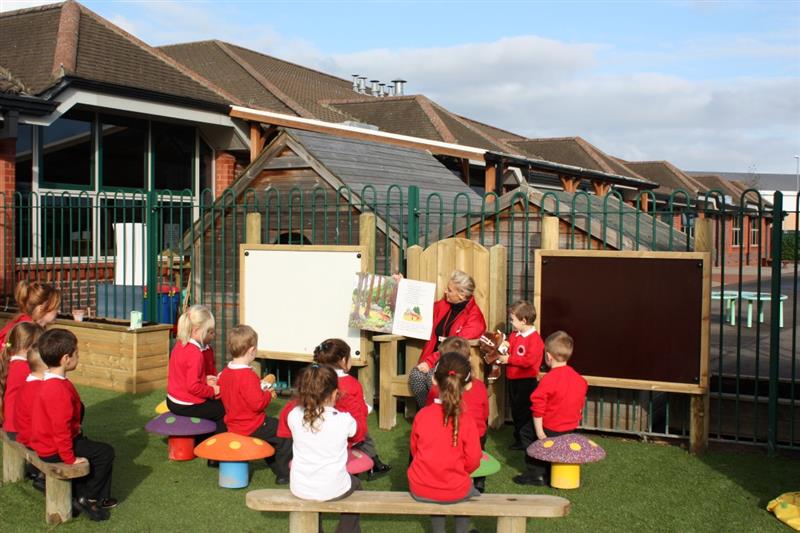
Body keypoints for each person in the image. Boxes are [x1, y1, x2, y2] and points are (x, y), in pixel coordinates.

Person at [29, 329, 116, 521]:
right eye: (76, 353)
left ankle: (85, 495)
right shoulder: (57, 389)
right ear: (66, 359)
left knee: (93, 449)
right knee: (105, 453)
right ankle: (89, 498)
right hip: (54, 448)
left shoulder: (50, 381)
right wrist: (69, 458)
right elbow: (60, 429)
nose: (79, 356)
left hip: (49, 443)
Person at [408, 353, 482, 533]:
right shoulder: (467, 420)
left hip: (420, 487)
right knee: (468, 487)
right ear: (469, 384)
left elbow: (415, 451)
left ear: (434, 379)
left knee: (444, 485)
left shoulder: (422, 415)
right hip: (453, 488)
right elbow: (473, 460)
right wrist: (459, 471)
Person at [288, 363, 361, 533]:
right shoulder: (343, 420)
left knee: (318, 494)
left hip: (300, 487)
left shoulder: (293, 415)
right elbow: (355, 431)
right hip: (333, 487)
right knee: (356, 485)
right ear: (335, 393)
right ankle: (346, 530)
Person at [217, 325, 291, 484]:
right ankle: (284, 473)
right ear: (251, 350)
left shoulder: (225, 373)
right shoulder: (247, 375)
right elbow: (258, 404)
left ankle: (276, 465)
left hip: (233, 424)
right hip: (252, 425)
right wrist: (267, 393)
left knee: (273, 433)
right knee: (285, 433)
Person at [514, 330, 588, 486]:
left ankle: (537, 474)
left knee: (526, 434)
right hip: (569, 426)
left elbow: (538, 407)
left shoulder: (548, 379)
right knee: (553, 442)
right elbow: (580, 403)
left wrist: (540, 431)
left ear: (548, 356)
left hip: (550, 425)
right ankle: (552, 468)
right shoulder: (580, 379)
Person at [313, 338, 392, 480]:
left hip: (323, 426)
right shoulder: (351, 383)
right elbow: (359, 409)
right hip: (350, 428)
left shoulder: (317, 379)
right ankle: (374, 466)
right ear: (344, 360)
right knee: (365, 439)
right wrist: (367, 409)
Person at [408, 270, 486, 408]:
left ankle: (442, 414)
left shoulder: (475, 319)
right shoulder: (443, 305)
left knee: (433, 376)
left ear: (461, 295)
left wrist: (429, 362)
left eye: (449, 290)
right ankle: (427, 413)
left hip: (451, 363)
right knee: (416, 375)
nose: (445, 292)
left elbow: (453, 346)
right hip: (433, 359)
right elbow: (420, 307)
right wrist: (402, 287)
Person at [422, 339, 489, 493]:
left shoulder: (436, 389)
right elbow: (485, 414)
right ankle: (479, 480)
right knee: (479, 439)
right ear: (469, 360)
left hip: (448, 434)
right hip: (476, 435)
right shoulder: (479, 386)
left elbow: (430, 412)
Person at [166, 305, 225, 438]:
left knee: (214, 406)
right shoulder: (195, 353)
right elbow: (193, 387)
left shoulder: (180, 344)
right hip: (185, 404)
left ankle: (203, 437)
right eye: (210, 332)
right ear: (197, 330)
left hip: (173, 399)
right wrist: (214, 391)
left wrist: (205, 379)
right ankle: (214, 447)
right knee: (223, 410)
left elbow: (183, 375)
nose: (214, 335)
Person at [499, 300, 544, 450]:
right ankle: (519, 439)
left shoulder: (535, 339)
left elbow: (529, 361)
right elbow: (511, 346)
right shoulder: (514, 334)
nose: (511, 322)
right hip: (513, 380)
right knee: (516, 410)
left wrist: (509, 359)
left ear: (524, 320)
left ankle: (527, 442)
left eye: (513, 320)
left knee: (524, 412)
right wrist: (506, 345)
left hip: (527, 381)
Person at [1, 321, 44, 439]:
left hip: (12, 425)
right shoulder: (24, 368)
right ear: (28, 347)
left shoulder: (12, 363)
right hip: (19, 428)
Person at [0, 280, 61, 346]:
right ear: (42, 308)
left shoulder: (27, 324)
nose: (59, 311)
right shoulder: (26, 331)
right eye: (56, 307)